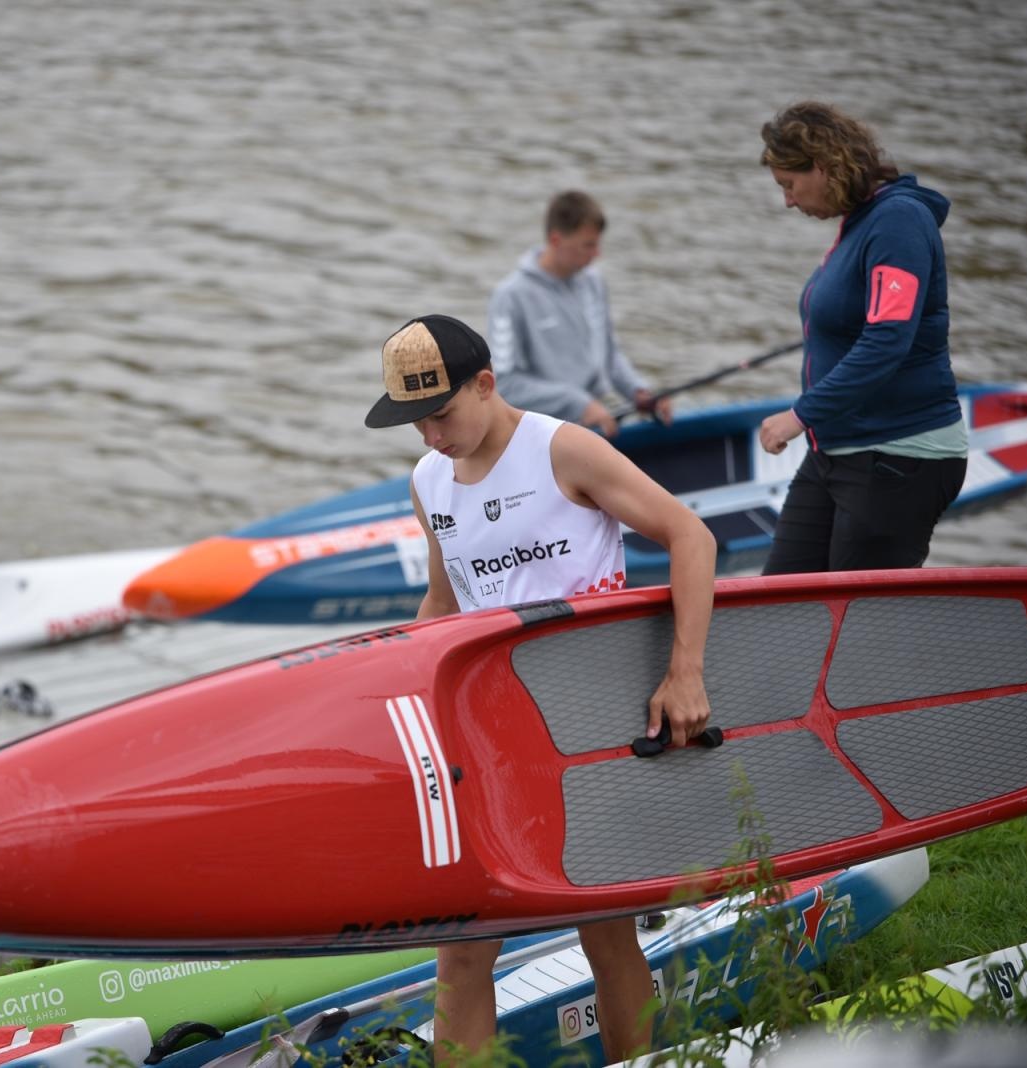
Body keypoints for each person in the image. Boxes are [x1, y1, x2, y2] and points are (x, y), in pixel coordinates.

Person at [364, 314, 716, 1064]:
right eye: (413, 423)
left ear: (485, 385)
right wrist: (384, 696)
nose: (430, 436)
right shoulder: (429, 481)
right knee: (462, 949)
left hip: (587, 727)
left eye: (441, 414)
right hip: (489, 737)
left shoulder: (564, 449)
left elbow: (691, 536)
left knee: (606, 934)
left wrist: (684, 673)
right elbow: (443, 606)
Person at [756, 102, 968, 573]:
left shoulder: (898, 223)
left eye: (789, 185)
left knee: (861, 631)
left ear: (824, 167)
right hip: (836, 451)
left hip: (899, 455)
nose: (788, 200)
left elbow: (886, 342)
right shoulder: (862, 222)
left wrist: (799, 415)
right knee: (776, 611)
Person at [485, 190, 672, 438]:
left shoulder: (593, 283)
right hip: (540, 435)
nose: (597, 254)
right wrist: (578, 403)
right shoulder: (510, 297)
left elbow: (608, 355)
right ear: (556, 240)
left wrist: (638, 392)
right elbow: (505, 385)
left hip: (593, 425)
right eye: (588, 245)